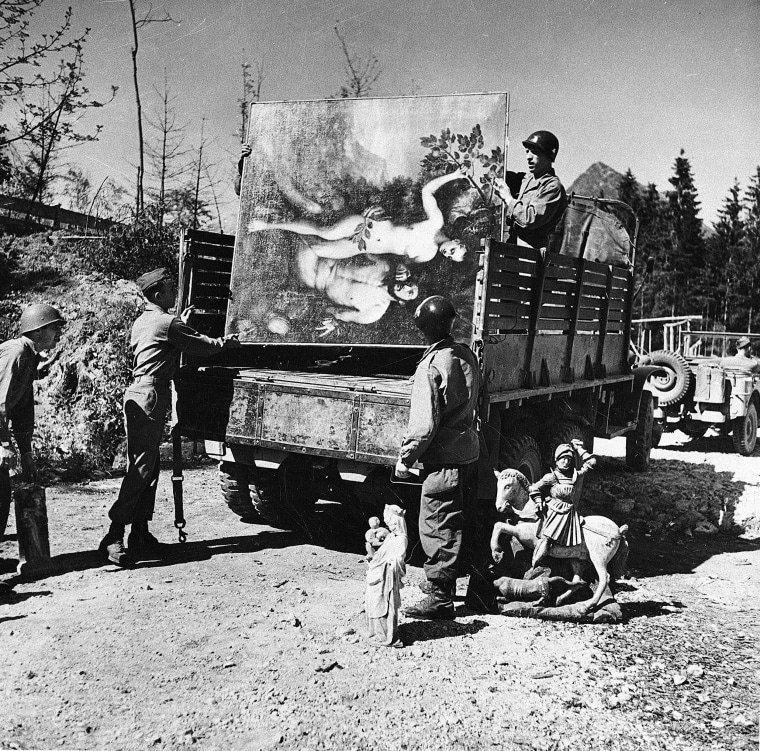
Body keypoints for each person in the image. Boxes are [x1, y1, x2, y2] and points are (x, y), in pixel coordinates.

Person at [99, 268, 241, 567]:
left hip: (142, 391)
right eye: (169, 289)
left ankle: (140, 534)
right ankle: (114, 535)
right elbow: (201, 346)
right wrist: (226, 343)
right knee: (140, 469)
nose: (175, 293)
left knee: (148, 468)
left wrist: (180, 326)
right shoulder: (166, 322)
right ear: (157, 294)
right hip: (151, 393)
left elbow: (167, 341)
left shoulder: (144, 321)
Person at [395, 296, 480, 619]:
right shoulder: (465, 355)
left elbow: (424, 425)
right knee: (460, 522)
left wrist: (406, 458)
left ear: (423, 329)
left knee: (437, 525)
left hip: (443, 461)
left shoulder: (431, 366)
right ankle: (469, 591)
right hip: (467, 454)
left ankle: (440, 597)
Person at [247, 168, 470, 264]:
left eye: (450, 257)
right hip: (370, 228)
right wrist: (454, 175)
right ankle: (267, 225)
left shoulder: (428, 256)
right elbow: (426, 191)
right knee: (327, 232)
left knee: (319, 250)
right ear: (456, 241)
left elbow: (394, 259)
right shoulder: (435, 223)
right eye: (453, 250)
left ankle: (280, 217)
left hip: (363, 248)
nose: (447, 253)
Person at [0, 304, 65, 536]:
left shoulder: (30, 357)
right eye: (54, 328)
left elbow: (22, 411)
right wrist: (4, 445)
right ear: (38, 331)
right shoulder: (16, 352)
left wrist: (26, 454)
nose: (59, 333)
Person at [294, 247, 419, 334]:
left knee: (305, 244)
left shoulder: (374, 311)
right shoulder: (385, 266)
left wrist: (333, 320)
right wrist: (400, 264)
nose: (406, 287)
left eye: (409, 293)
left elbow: (335, 313)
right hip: (328, 253)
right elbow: (365, 246)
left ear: (403, 302)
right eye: (409, 283)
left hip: (314, 275)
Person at [529, 440, 596, 578]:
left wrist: (578, 448)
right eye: (562, 459)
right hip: (554, 511)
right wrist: (539, 500)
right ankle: (533, 566)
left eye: (568, 459)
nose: (565, 462)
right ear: (557, 459)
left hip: (569, 513)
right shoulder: (551, 477)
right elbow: (534, 487)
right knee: (547, 540)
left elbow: (591, 462)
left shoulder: (574, 476)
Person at [492, 130, 567, 249]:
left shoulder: (552, 187)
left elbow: (530, 218)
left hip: (529, 255)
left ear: (548, 156)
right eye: (527, 152)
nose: (528, 157)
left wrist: (508, 198)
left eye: (535, 152)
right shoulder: (524, 179)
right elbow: (497, 176)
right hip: (511, 248)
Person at [364, 504, 407, 648]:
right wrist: (373, 557)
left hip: (387, 576)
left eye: (394, 523)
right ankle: (376, 633)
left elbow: (399, 560)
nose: (392, 527)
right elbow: (380, 554)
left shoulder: (401, 539)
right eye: (389, 524)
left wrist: (389, 562)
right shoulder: (390, 537)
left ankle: (386, 637)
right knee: (374, 602)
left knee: (383, 604)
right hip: (378, 574)